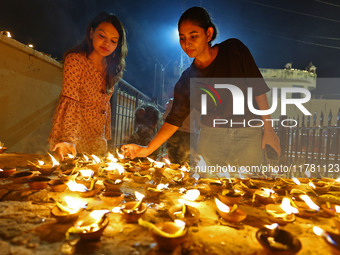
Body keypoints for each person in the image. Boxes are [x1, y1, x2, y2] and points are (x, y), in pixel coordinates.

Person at [122, 7, 280, 171]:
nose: (187, 43)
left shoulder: (234, 50)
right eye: (182, 38)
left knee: (245, 189)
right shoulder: (188, 79)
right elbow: (174, 119)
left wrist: (268, 130)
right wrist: (147, 149)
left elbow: (258, 88)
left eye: (193, 36)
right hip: (211, 136)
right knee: (209, 189)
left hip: (247, 135)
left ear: (209, 34)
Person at [49, 12, 127, 160]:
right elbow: (70, 101)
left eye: (113, 41)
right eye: (102, 36)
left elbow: (105, 107)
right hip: (73, 135)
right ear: (91, 33)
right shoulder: (76, 61)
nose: (107, 44)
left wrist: (104, 137)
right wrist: (68, 139)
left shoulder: (112, 69)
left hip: (97, 137)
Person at [163, 98, 200, 165]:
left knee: (173, 159)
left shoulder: (174, 102)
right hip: (189, 135)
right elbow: (198, 125)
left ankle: (173, 173)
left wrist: (169, 108)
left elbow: (165, 117)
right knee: (187, 160)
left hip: (175, 133)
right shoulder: (194, 105)